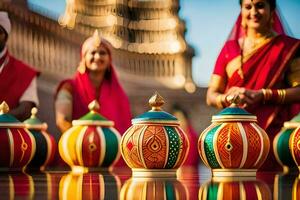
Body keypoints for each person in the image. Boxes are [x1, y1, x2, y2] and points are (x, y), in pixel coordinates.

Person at [206, 0, 300, 171]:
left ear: (272, 10)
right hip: (232, 137)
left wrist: (263, 95)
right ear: (241, 11)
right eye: (248, 6)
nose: (254, 12)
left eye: (260, 5)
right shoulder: (230, 49)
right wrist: (228, 98)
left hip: (271, 135)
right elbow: (211, 94)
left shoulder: (289, 47)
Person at [55, 30, 131, 136]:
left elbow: (125, 129)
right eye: (93, 52)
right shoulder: (68, 87)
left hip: (112, 150)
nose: (97, 57)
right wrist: (80, 143)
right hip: (77, 148)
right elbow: (62, 120)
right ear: (83, 58)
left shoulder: (120, 95)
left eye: (102, 53)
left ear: (110, 60)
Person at [0, 11, 39, 121]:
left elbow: (25, 111)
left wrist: (1, 118)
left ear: (6, 37)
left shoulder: (25, 72)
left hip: (6, 134)